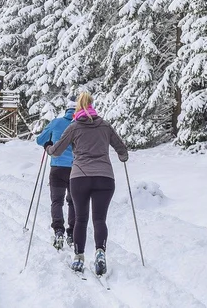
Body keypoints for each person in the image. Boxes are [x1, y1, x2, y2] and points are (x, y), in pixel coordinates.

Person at [44, 92, 128, 276]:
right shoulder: (105, 126)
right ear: (92, 105)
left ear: (78, 107)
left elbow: (57, 151)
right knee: (99, 219)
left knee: (81, 219)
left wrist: (48, 148)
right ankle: (100, 252)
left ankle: (79, 257)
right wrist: (123, 156)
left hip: (80, 177)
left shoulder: (74, 127)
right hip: (105, 178)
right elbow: (122, 149)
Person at [35, 97, 77, 250]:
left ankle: (58, 230)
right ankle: (72, 233)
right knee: (73, 202)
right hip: (76, 169)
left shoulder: (57, 122)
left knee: (56, 201)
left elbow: (40, 140)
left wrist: (49, 143)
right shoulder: (81, 125)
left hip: (57, 168)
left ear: (67, 110)